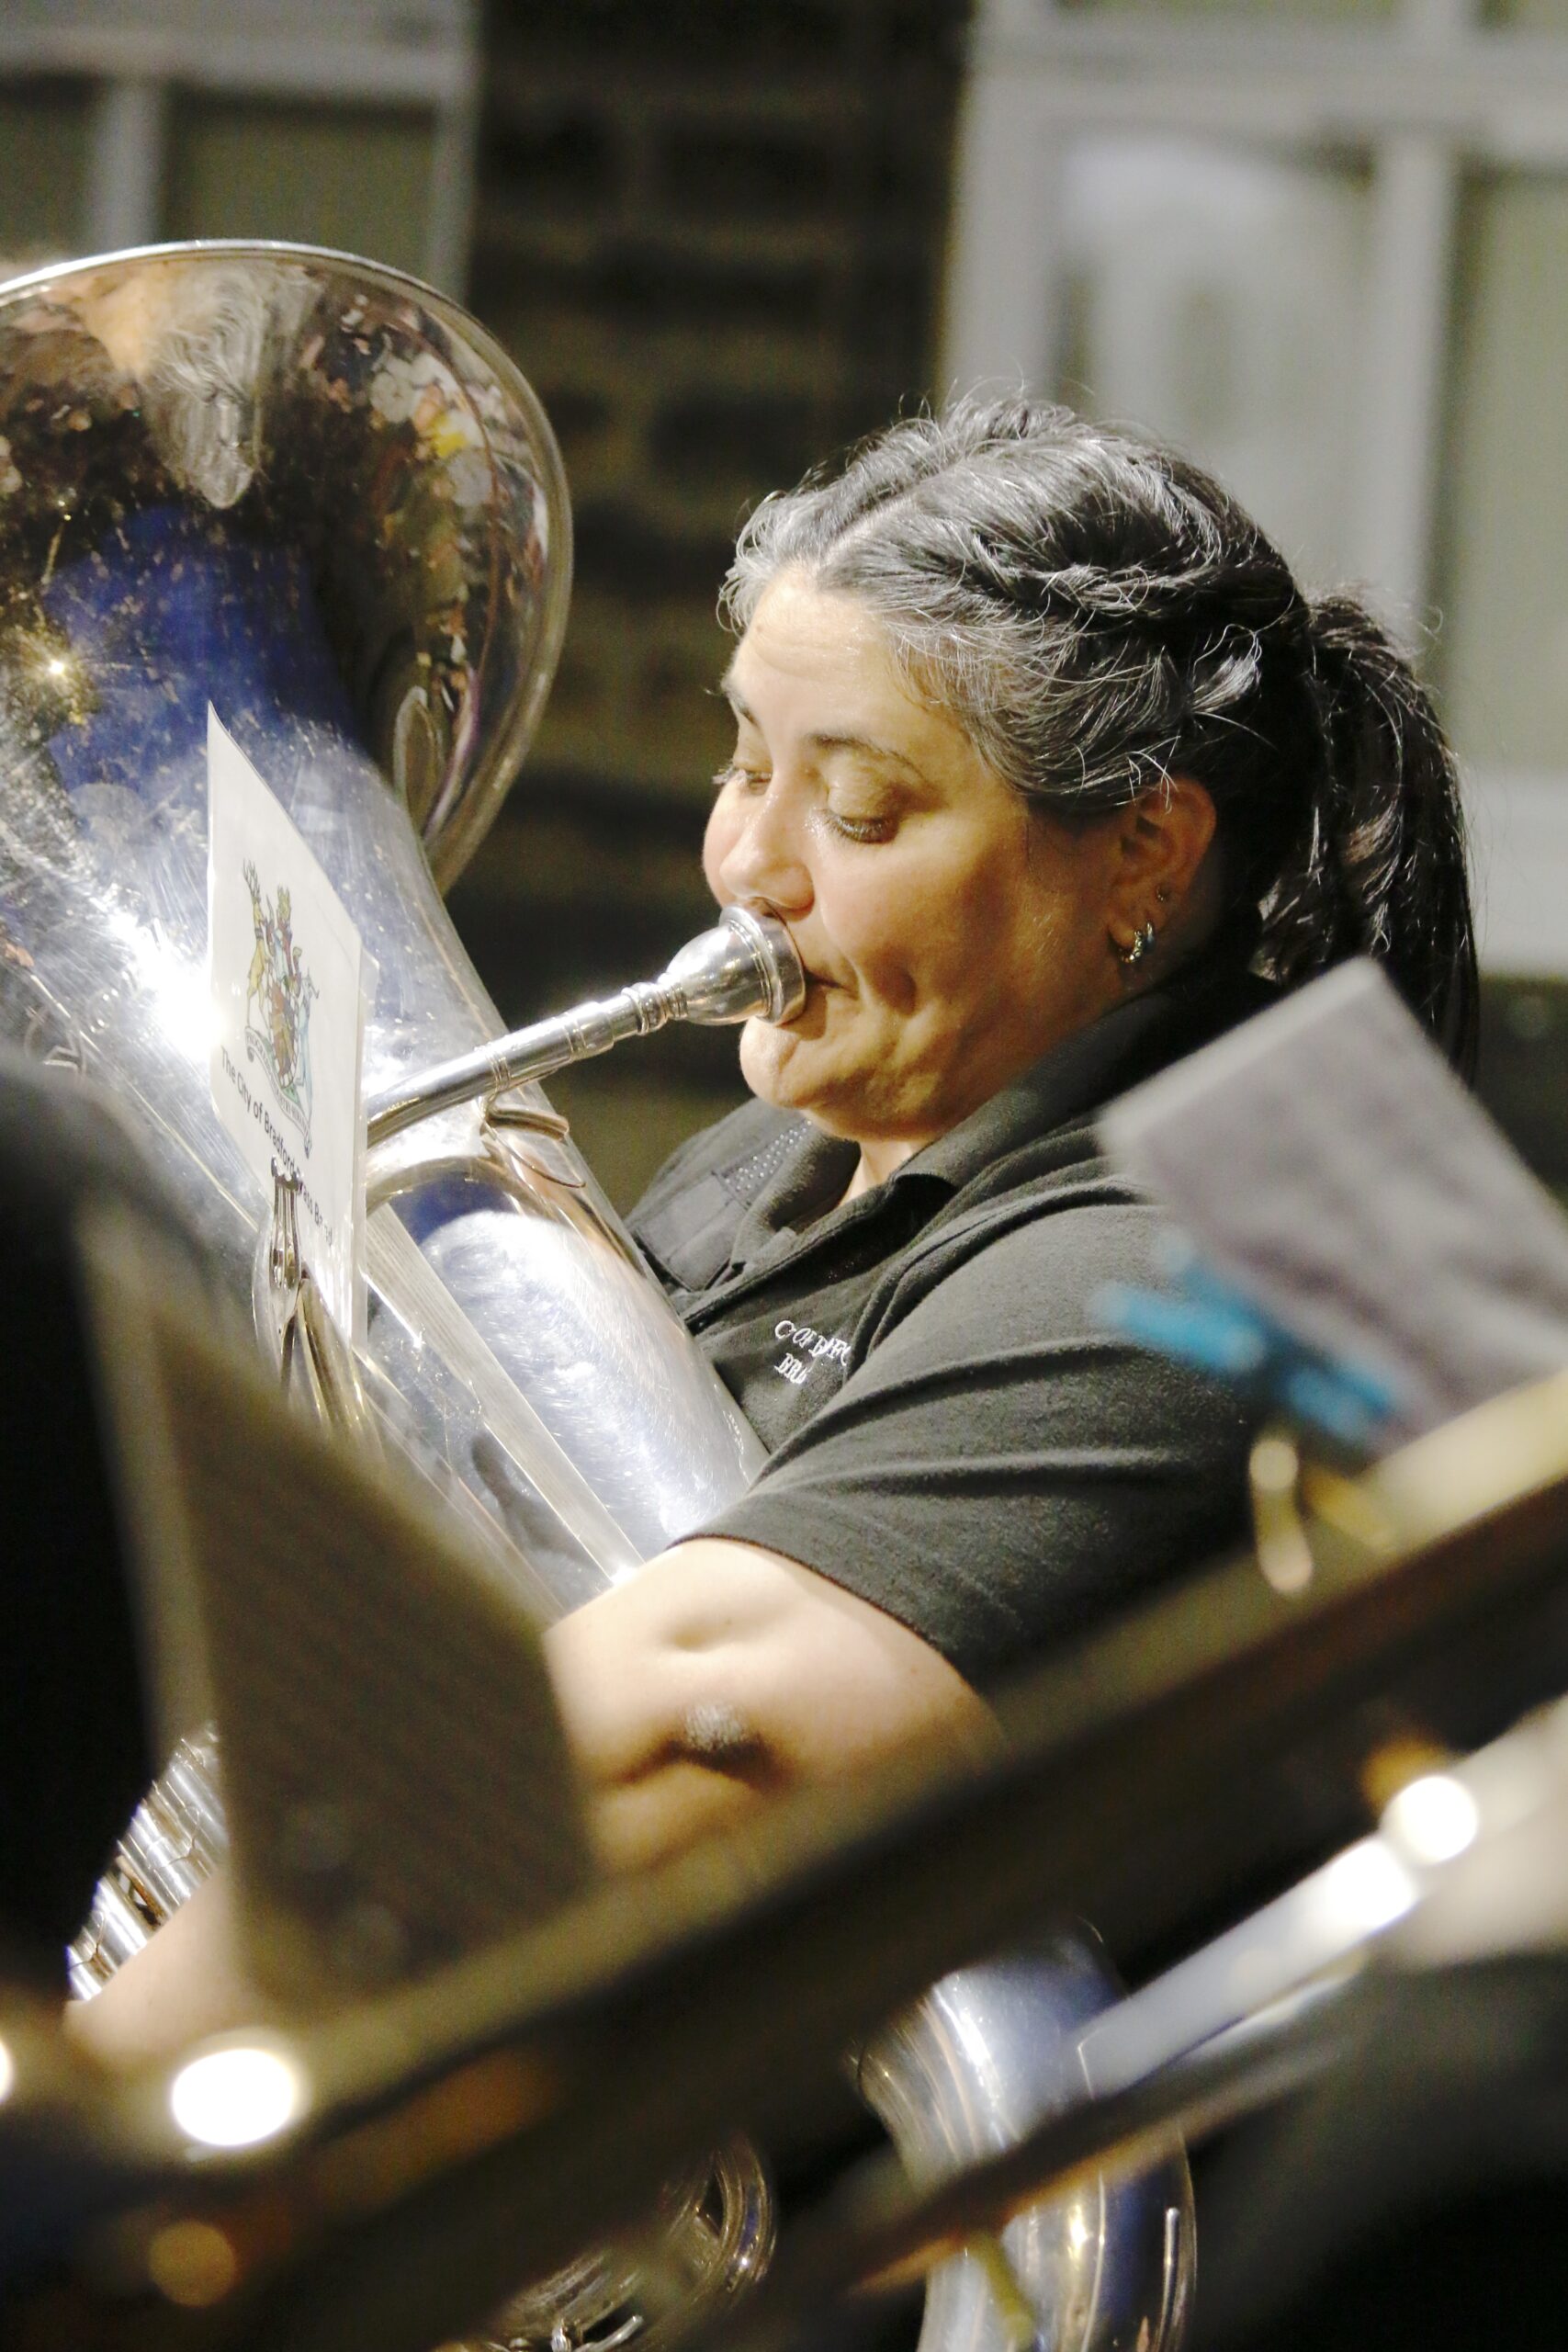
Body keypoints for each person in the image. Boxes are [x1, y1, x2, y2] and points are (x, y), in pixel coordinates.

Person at [73, 395, 1474, 2057]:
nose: (746, 860)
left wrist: (87, 2105)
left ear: (1143, 859)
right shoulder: (778, 1157)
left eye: (859, 808)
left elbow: (694, 1714)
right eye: (742, 761)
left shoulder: (1230, 1241)